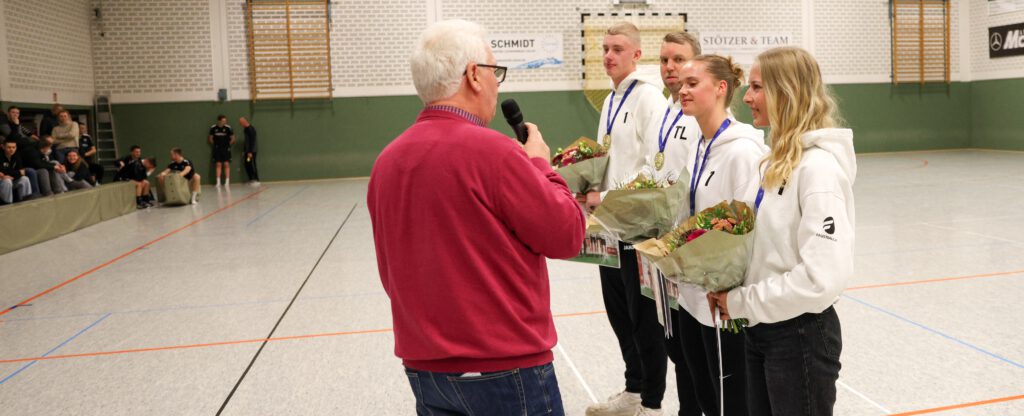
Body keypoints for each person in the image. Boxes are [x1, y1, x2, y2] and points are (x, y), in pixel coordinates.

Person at [367, 19, 585, 416]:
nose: (497, 84)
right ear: (473, 76)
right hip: (505, 367)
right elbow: (567, 234)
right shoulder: (496, 153)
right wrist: (540, 165)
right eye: (494, 72)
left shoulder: (387, 162)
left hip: (425, 369)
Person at [707, 46, 855, 416]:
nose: (747, 96)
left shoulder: (818, 170)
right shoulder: (772, 160)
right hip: (761, 327)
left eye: (757, 87)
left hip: (800, 336)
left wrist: (740, 302)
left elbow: (820, 280)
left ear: (785, 93)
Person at [673, 54, 768, 416]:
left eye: (692, 83)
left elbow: (745, 231)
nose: (682, 90)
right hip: (691, 298)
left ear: (721, 88)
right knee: (704, 399)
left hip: (723, 306)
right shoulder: (698, 146)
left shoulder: (743, 151)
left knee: (732, 404)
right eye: (682, 83)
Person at [584, 22, 671, 416]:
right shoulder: (609, 100)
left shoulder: (650, 98)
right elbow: (609, 159)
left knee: (644, 321)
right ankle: (633, 391)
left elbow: (656, 167)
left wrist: (607, 194)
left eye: (617, 48)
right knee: (619, 315)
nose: (608, 56)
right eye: (604, 48)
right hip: (608, 227)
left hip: (639, 227)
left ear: (637, 54)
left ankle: (652, 404)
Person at [646, 32, 718, 416]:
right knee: (677, 346)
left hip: (691, 252)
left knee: (699, 355)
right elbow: (655, 171)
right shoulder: (665, 109)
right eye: (664, 60)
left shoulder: (702, 116)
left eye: (679, 60)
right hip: (665, 248)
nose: (670, 68)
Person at [1, 140, 32, 204]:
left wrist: (9, 173)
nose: (11, 149)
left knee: (25, 179)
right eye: (9, 147)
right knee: (7, 181)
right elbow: (2, 173)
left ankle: (25, 202)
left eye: (13, 147)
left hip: (12, 179)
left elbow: (22, 172)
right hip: (2, 180)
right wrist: (16, 173)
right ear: (3, 147)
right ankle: (7, 204)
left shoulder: (16, 156)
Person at [208, 115, 234, 187]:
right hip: (217, 149)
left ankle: (227, 182)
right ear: (219, 121)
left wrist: (228, 145)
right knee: (218, 164)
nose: (224, 122)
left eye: (225, 121)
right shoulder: (213, 128)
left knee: (226, 164)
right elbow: (210, 138)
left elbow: (232, 138)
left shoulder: (228, 128)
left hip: (226, 149)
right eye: (223, 121)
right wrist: (215, 145)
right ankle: (218, 182)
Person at [240, 117, 259, 185]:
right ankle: (251, 179)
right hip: (247, 152)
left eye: (241, 123)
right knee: (247, 163)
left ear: (244, 122)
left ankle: (256, 180)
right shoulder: (245, 129)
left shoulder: (251, 129)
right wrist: (245, 151)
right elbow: (247, 142)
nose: (240, 124)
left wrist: (250, 152)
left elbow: (252, 141)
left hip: (252, 152)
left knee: (252, 164)